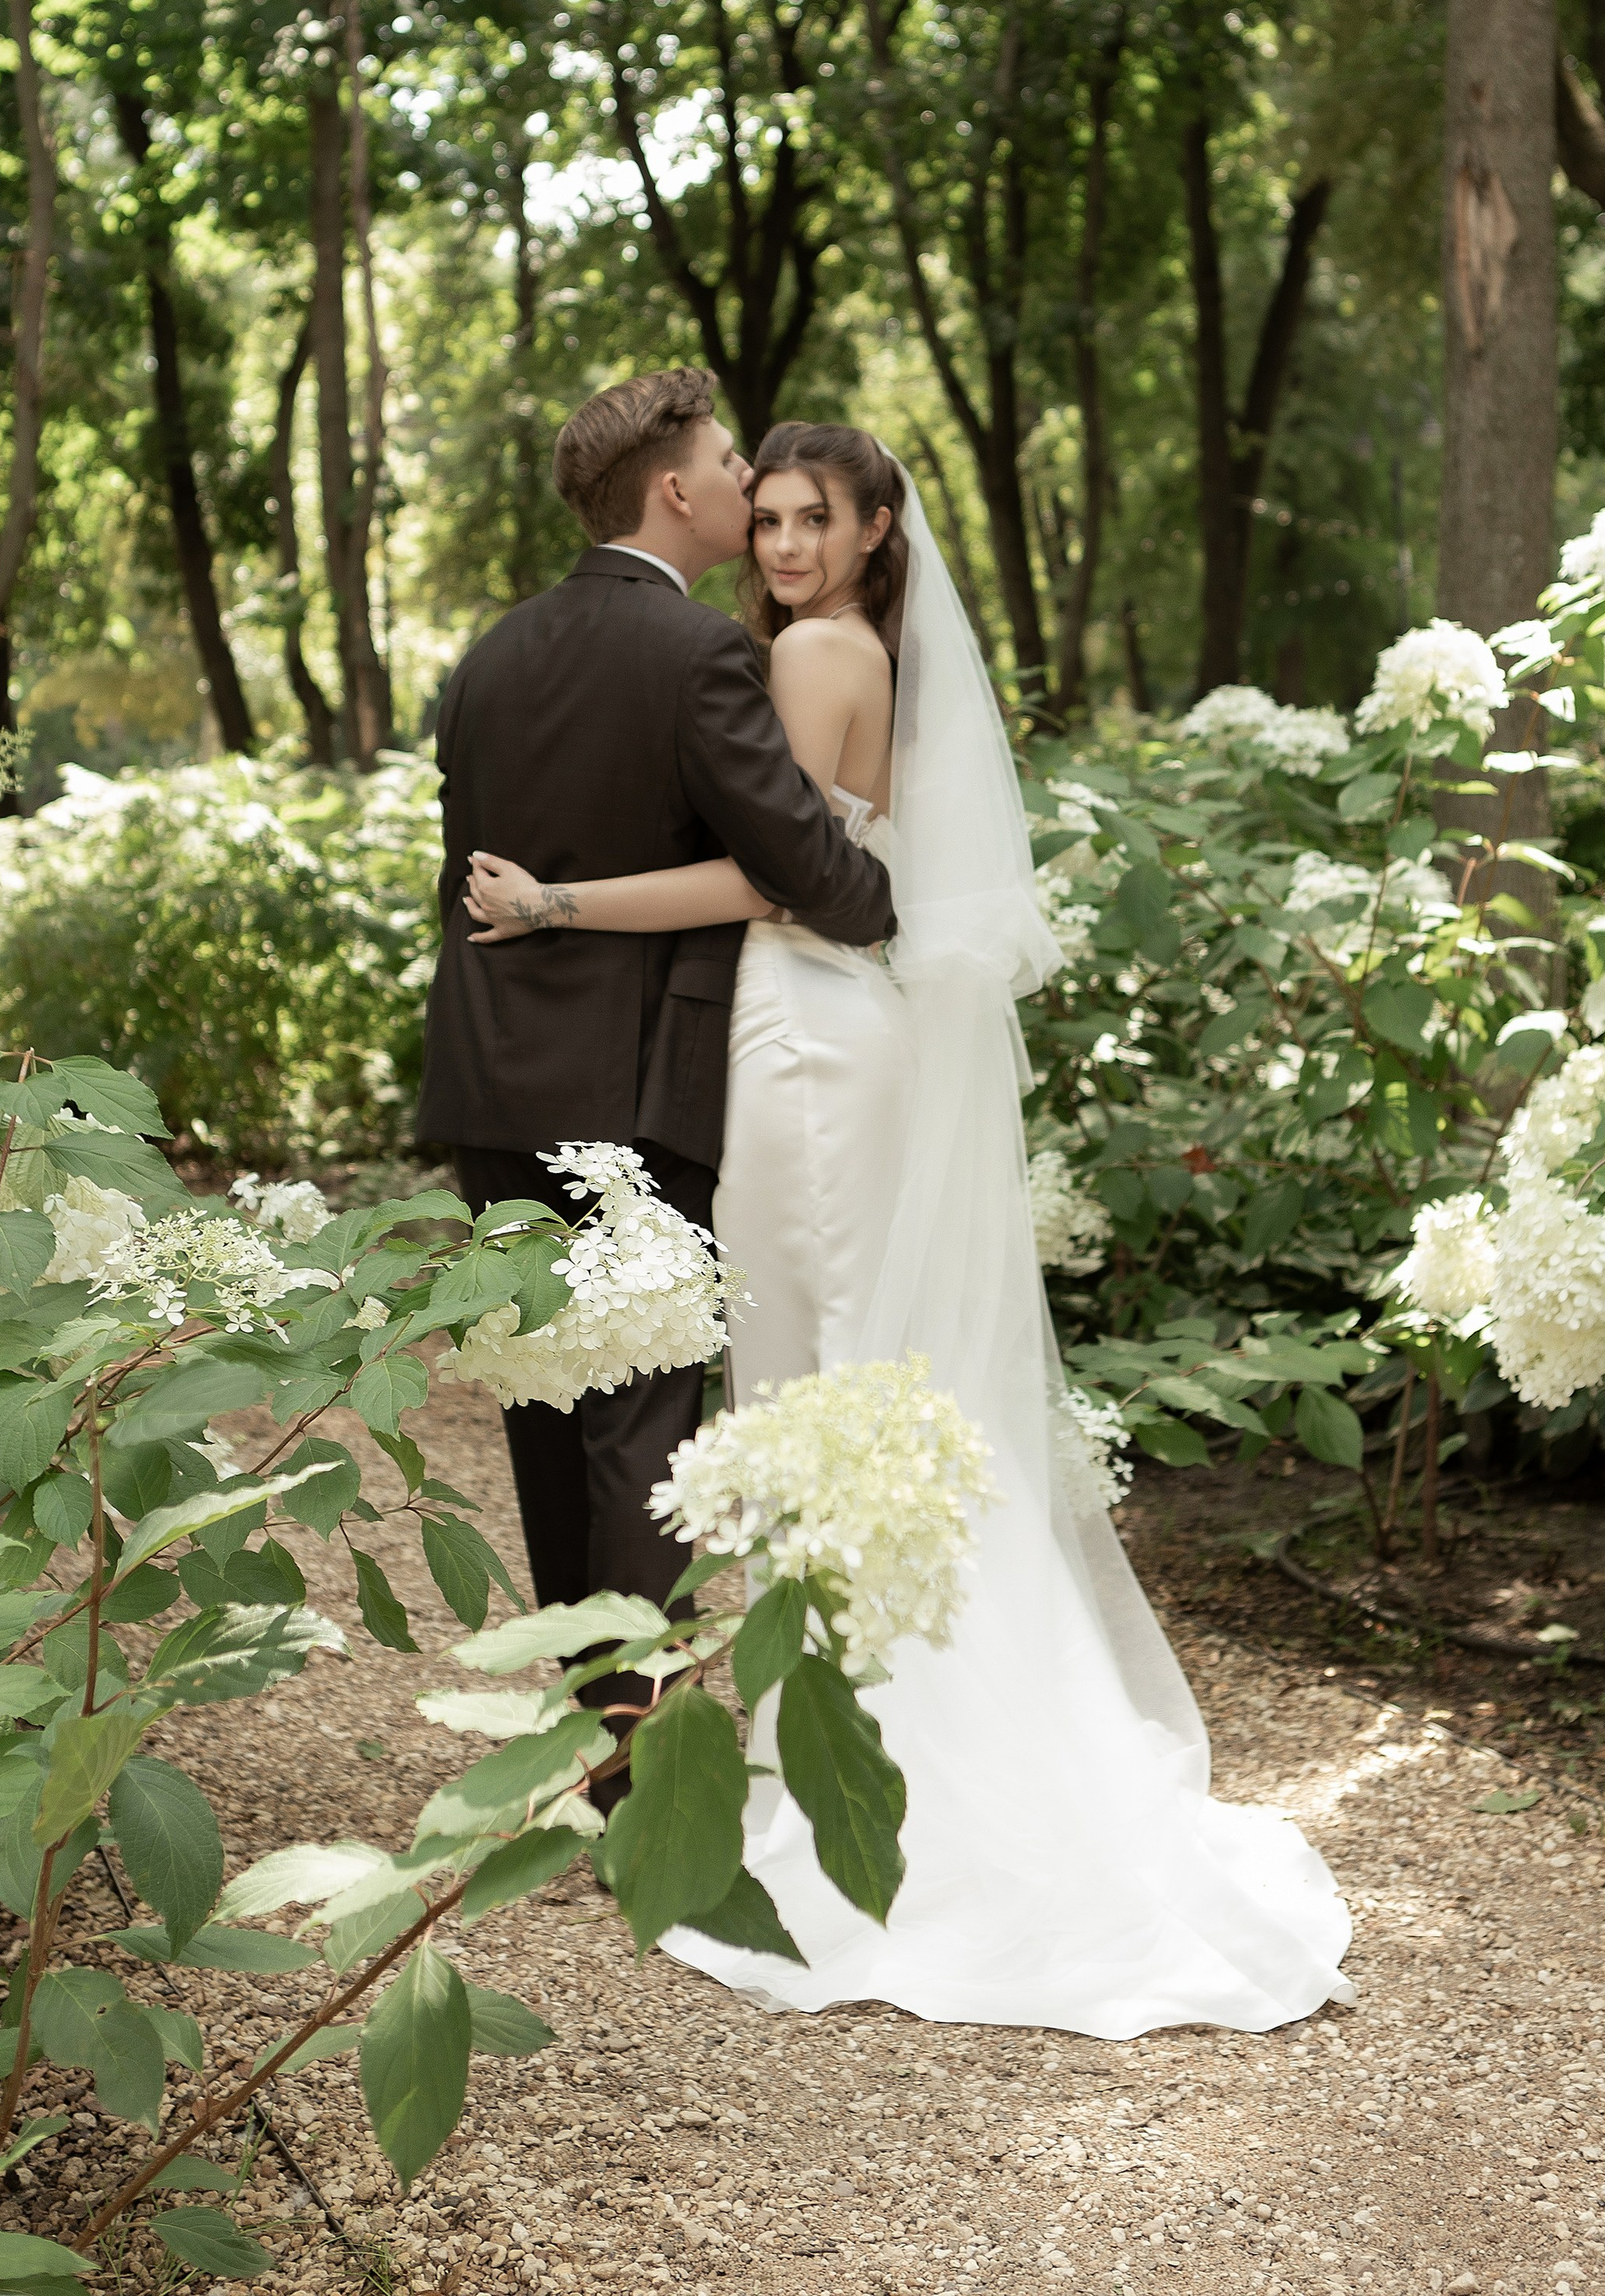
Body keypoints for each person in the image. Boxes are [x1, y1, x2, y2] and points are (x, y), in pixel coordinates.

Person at [465, 421, 1354, 2039]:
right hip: (825, 1034)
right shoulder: (846, 646)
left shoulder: (809, 650)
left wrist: (553, 906)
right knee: (837, 1384)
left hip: (800, 1038)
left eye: (816, 518)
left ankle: (872, 1779)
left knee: (814, 1395)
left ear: (879, 534)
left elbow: (774, 878)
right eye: (774, 514)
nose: (786, 542)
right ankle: (859, 1735)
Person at [416, 368, 896, 1640]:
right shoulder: (702, 653)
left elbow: (464, 879)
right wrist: (886, 892)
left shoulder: (487, 657)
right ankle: (637, 1746)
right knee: (642, 1420)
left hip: (493, 1083)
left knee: (545, 1404)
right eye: (735, 467)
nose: (752, 485)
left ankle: (589, 1726)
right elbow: (817, 873)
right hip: (637, 1090)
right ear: (678, 489)